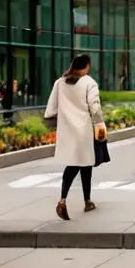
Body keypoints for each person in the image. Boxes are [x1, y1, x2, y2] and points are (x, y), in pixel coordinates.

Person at [44, 54, 106, 220]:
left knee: (77, 165)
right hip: (85, 130)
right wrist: (100, 128)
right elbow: (95, 108)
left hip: (67, 130)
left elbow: (51, 109)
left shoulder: (60, 82)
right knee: (83, 165)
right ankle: (77, 201)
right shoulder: (89, 83)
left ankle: (73, 200)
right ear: (86, 66)